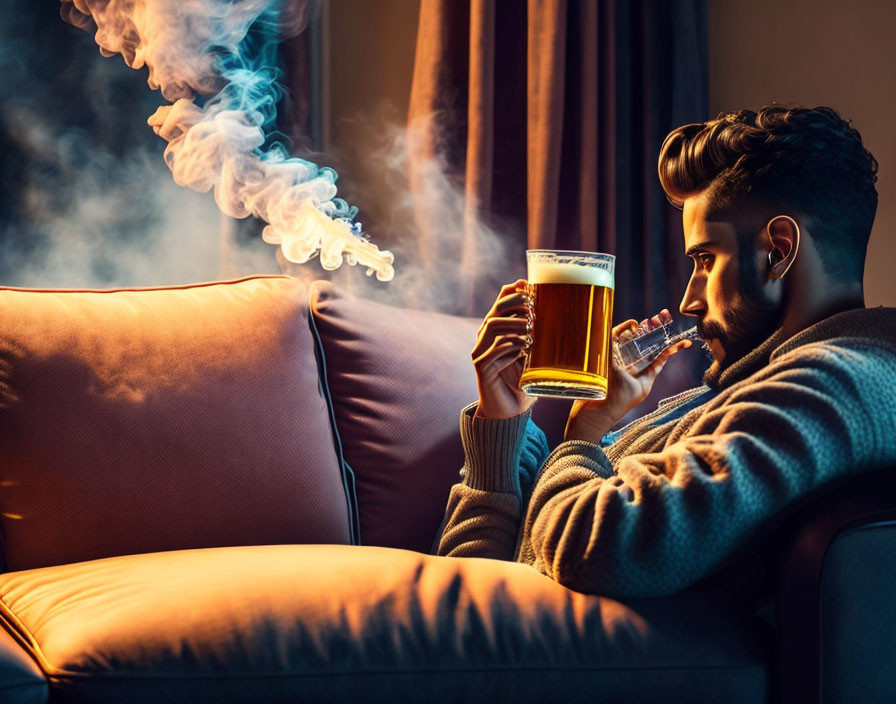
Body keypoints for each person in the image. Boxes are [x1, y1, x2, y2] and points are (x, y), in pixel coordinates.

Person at [435, 104, 896, 601]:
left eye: (704, 259)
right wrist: (508, 424)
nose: (688, 301)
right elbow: (475, 597)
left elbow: (595, 546)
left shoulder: (838, 384)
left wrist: (580, 442)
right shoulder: (762, 382)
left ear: (778, 251)